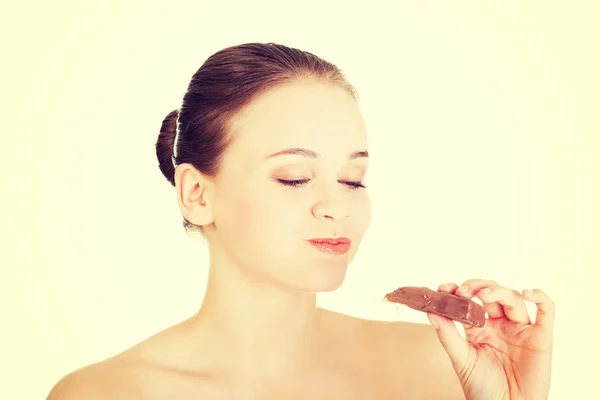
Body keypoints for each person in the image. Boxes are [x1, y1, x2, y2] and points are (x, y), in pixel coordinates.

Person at [47, 42, 555, 399]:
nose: (338, 206)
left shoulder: (444, 365)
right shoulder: (104, 394)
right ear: (197, 194)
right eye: (294, 177)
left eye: (354, 179)